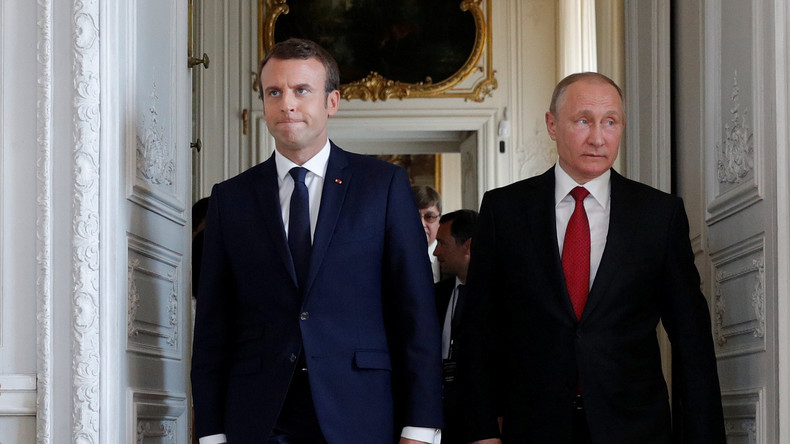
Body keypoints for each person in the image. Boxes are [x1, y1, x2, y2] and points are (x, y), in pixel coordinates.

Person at [191, 38, 443, 444]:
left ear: (332, 102)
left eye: (301, 90)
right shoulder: (230, 198)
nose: (287, 104)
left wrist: (421, 426)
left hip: (360, 412)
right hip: (258, 418)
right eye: (274, 92)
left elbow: (416, 314)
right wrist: (210, 432)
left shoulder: (383, 187)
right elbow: (212, 325)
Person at [458, 72, 725, 443]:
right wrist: (480, 430)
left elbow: (691, 338)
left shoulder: (658, 215)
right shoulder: (504, 210)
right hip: (532, 427)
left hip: (634, 430)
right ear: (552, 125)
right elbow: (477, 329)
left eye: (610, 122)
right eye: (583, 121)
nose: (598, 138)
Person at [432, 209, 478, 444]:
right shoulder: (435, 295)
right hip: (443, 419)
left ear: (467, 245)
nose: (436, 252)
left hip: (483, 421)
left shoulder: (499, 296)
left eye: (442, 243)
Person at [412, 185, 442, 282]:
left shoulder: (451, 258)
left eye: (429, 217)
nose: (421, 224)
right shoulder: (390, 259)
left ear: (440, 221)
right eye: (414, 216)